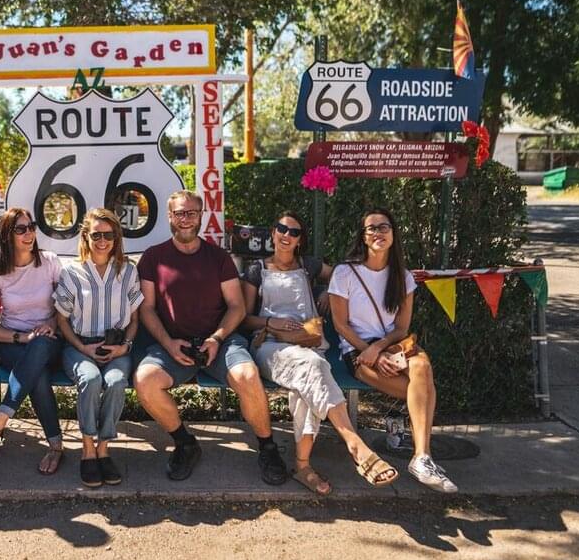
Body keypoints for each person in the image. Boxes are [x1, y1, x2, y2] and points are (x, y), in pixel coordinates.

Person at [134, 190, 287, 485]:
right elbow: (147, 309)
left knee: (247, 375)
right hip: (173, 344)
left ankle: (267, 447)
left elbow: (236, 306)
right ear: (170, 217)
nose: (186, 219)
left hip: (221, 341)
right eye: (180, 213)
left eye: (192, 213)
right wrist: (168, 343)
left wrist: (216, 338)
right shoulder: (153, 257)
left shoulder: (218, 257)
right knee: (145, 381)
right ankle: (185, 443)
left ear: (201, 216)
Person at [241, 211, 398, 495]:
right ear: (273, 233)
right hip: (270, 346)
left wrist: (329, 290)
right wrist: (270, 322)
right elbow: (243, 318)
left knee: (307, 382)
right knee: (313, 367)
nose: (287, 235)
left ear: (300, 240)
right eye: (282, 229)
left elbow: (343, 272)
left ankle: (303, 466)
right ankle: (354, 443)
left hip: (309, 344)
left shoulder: (309, 265)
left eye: (294, 232)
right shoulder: (256, 270)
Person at [329, 207, 458, 493]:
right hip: (358, 352)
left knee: (422, 367)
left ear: (393, 233)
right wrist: (370, 351)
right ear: (363, 237)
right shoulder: (345, 272)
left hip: (390, 344)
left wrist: (381, 348)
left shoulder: (403, 276)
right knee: (424, 391)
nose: (378, 233)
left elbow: (401, 327)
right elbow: (340, 325)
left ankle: (421, 457)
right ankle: (422, 458)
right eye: (371, 228)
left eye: (384, 227)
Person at [0, 208, 65, 474]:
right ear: (7, 235)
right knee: (38, 373)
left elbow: (66, 307)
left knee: (40, 345)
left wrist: (51, 323)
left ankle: (0, 419)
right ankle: (55, 445)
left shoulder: (50, 262)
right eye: (21, 229)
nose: (29, 233)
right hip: (12, 343)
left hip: (49, 339)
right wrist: (21, 337)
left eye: (31, 227)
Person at [55, 209, 143, 488]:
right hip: (80, 345)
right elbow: (61, 320)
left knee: (116, 381)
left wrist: (125, 347)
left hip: (117, 346)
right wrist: (83, 348)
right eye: (96, 235)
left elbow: (135, 320)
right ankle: (87, 449)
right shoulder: (72, 272)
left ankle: (104, 448)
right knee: (91, 379)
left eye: (108, 235)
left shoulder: (128, 271)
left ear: (116, 238)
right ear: (86, 237)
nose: (103, 241)